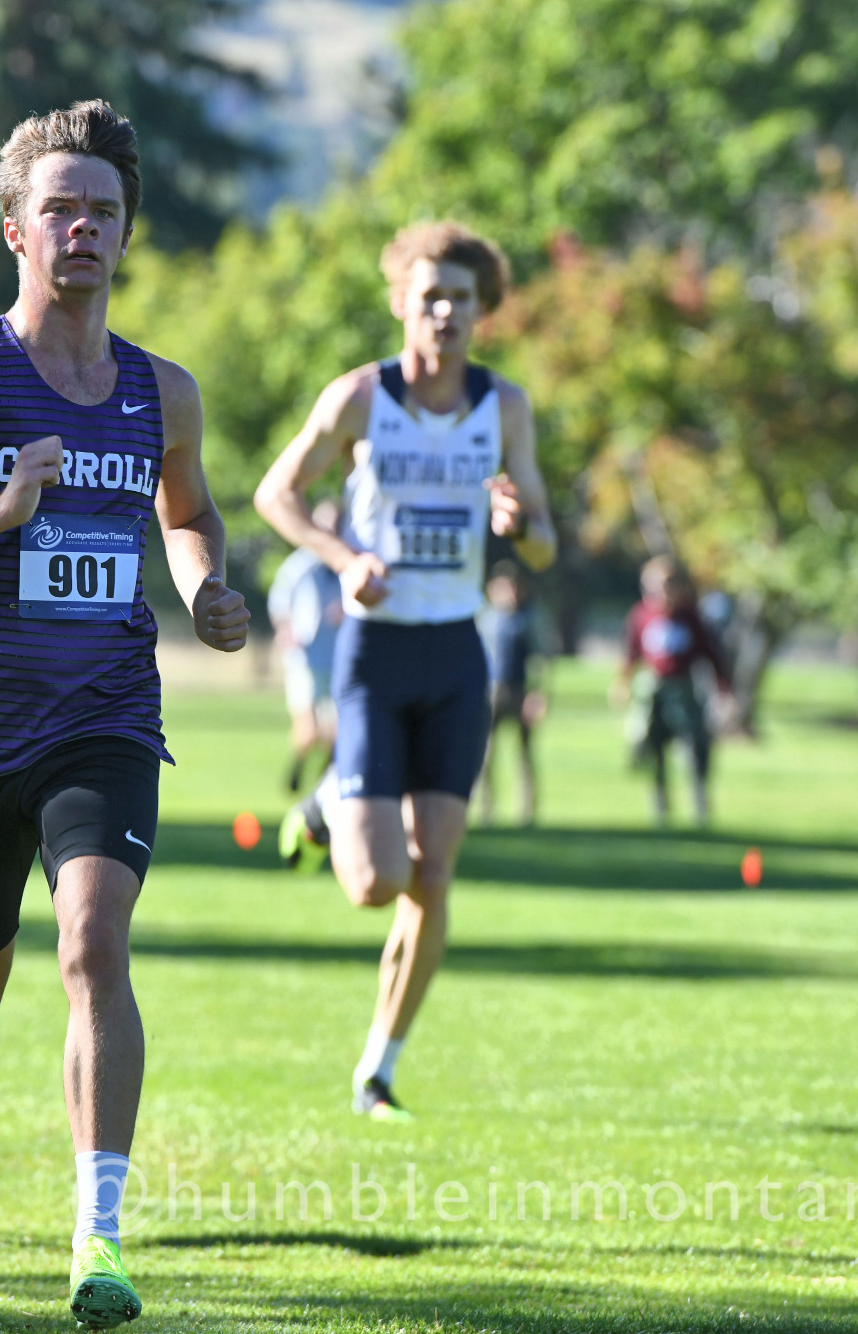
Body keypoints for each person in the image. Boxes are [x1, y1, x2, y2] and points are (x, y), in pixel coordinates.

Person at [0, 101, 249, 1329]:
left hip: (103, 717)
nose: (82, 227)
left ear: (125, 233)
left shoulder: (162, 392)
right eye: (58, 208)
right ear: (14, 228)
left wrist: (204, 585)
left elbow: (187, 510)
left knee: (92, 945)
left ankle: (96, 1231)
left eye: (101, 210)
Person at [256, 221, 556, 1122]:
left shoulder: (505, 408)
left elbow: (543, 544)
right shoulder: (360, 397)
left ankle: (378, 1070)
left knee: (434, 877)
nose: (445, 312)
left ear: (481, 311)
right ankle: (327, 806)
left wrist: (518, 525)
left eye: (461, 298)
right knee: (375, 884)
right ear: (400, 303)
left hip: (456, 654)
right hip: (376, 653)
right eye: (430, 296)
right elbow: (276, 494)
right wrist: (343, 557)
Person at [614, 555, 731, 826]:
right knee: (653, 748)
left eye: (665, 584)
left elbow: (711, 654)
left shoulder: (691, 616)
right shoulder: (641, 615)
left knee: (694, 748)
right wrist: (623, 683)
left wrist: (724, 688)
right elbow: (630, 653)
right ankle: (661, 809)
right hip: (652, 689)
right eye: (652, 585)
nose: (659, 591)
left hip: (684, 689)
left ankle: (700, 807)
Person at [266, 499, 344, 796]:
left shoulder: (348, 564)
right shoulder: (300, 565)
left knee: (336, 732)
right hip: (305, 658)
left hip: (337, 658)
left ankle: (325, 782)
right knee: (309, 730)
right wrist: (286, 632)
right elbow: (280, 604)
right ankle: (298, 765)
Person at [478, 562, 545, 826]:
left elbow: (539, 659)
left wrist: (537, 693)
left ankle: (527, 811)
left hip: (520, 690)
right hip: (491, 691)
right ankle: (486, 808)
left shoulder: (528, 619)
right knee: (485, 755)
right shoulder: (486, 619)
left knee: (524, 755)